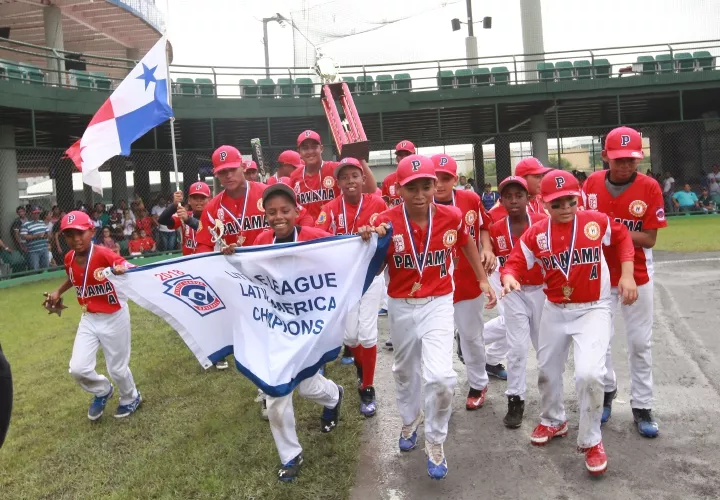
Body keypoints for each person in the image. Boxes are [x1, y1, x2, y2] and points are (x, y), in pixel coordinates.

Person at [360, 154, 497, 480]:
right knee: (405, 371)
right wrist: (372, 242)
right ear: (399, 189)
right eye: (412, 188)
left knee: (441, 377)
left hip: (437, 302)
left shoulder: (451, 216)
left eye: (426, 186)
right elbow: (377, 268)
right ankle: (410, 420)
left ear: (435, 186)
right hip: (401, 304)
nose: (420, 194)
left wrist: (482, 278)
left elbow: (467, 244)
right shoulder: (387, 220)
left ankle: (435, 441)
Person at [501, 169, 637, 476]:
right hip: (555, 308)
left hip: (593, 309)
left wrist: (626, 274)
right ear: (543, 203)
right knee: (547, 369)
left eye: (570, 201)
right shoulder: (537, 233)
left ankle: (591, 441)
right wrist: (509, 276)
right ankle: (553, 420)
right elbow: (515, 261)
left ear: (578, 199)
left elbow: (622, 237)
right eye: (557, 203)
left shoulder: (595, 221)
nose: (565, 208)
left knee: (589, 373)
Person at [252, 182, 345, 482]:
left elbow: (343, 255)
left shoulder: (314, 238)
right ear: (264, 215)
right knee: (276, 397)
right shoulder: (260, 242)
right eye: (271, 212)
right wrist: (229, 254)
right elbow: (244, 274)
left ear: (297, 211)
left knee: (306, 387)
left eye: (285, 210)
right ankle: (290, 455)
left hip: (308, 329)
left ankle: (334, 397)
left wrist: (369, 237)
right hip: (277, 329)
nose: (278, 217)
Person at [583, 126, 667, 438]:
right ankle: (607, 392)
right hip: (601, 274)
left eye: (631, 159)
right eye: (618, 159)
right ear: (605, 156)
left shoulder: (649, 187)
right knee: (600, 340)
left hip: (638, 274)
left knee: (640, 343)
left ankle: (643, 405)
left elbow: (649, 238)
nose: (625, 165)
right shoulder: (591, 184)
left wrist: (609, 230)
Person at [44, 211, 141, 420]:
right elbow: (74, 278)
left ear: (92, 231)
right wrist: (58, 292)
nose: (76, 239)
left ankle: (131, 397)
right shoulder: (69, 257)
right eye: (69, 235)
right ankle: (102, 390)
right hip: (89, 317)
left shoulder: (103, 253)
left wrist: (121, 268)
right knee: (78, 368)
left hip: (114, 316)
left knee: (117, 368)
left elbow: (124, 265)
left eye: (81, 233)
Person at [316, 157, 388, 417]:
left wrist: (378, 229)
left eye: (354, 176)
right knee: (349, 337)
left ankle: (367, 387)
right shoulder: (331, 207)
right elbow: (319, 236)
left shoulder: (377, 203)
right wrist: (346, 238)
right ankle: (361, 365)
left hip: (370, 276)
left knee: (368, 335)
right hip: (344, 280)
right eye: (344, 177)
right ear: (338, 182)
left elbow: (388, 230)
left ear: (363, 178)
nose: (350, 181)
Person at [430, 153, 501, 410]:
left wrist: (487, 248)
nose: (439, 183)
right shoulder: (420, 206)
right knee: (436, 339)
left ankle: (478, 382)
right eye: (434, 178)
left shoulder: (469, 199)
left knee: (471, 336)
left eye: (445, 177)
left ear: (455, 179)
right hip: (434, 283)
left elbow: (484, 225)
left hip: (468, 277)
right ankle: (438, 389)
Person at [488, 176, 547, 428]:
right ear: (500, 201)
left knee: (544, 348)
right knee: (517, 348)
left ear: (528, 198)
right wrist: (487, 250)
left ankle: (551, 401)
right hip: (513, 292)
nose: (513, 201)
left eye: (519, 195)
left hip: (542, 291)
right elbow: (485, 251)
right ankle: (515, 399)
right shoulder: (496, 229)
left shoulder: (544, 224)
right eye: (508, 196)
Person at [195, 145, 269, 254]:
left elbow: (299, 219)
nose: (228, 175)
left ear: (243, 167)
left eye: (233, 169)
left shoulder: (267, 193)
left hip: (270, 261)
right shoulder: (211, 208)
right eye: (222, 171)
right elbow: (203, 245)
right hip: (234, 268)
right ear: (215, 173)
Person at [291, 130, 377, 221]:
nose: (310, 151)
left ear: (321, 148)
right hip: (308, 230)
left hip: (335, 226)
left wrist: (360, 158)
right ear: (299, 152)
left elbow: (369, 189)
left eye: (314, 147)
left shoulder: (335, 168)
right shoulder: (294, 176)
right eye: (305, 148)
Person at [158, 182, 211, 256]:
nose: (199, 201)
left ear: (209, 200)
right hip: (188, 262)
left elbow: (207, 230)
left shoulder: (214, 216)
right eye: (195, 198)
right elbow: (162, 220)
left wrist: (188, 220)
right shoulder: (186, 215)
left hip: (207, 261)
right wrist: (174, 205)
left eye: (203, 197)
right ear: (189, 200)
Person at [381, 140, 415, 208]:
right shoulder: (388, 180)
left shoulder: (421, 178)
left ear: (414, 155)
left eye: (407, 154)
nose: (403, 158)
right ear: (396, 158)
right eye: (400, 155)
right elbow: (385, 205)